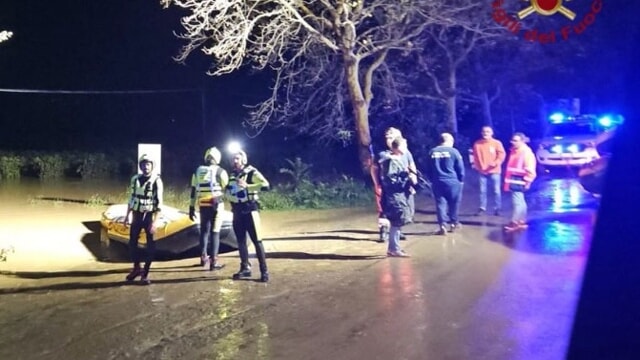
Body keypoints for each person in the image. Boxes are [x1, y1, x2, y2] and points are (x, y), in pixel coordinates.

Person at [225, 149, 270, 283]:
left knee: (257, 241)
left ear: (244, 160)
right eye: (233, 158)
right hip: (237, 211)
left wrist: (248, 186)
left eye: (237, 158)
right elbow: (229, 191)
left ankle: (264, 271)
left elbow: (266, 186)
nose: (234, 161)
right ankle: (245, 268)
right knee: (241, 242)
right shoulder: (232, 175)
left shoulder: (252, 172)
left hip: (250, 210)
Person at [370, 127, 417, 242]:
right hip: (387, 187)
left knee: (402, 209)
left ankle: (397, 230)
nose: (389, 140)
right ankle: (384, 231)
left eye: (391, 137)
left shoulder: (405, 152)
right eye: (387, 138)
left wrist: (413, 181)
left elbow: (411, 165)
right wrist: (377, 183)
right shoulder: (382, 154)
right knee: (385, 210)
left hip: (402, 186)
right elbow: (374, 168)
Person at [124, 154, 163, 285]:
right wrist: (126, 216)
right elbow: (131, 198)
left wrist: (155, 222)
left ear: (152, 166)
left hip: (149, 217)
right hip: (136, 215)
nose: (146, 167)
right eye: (144, 164)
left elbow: (159, 205)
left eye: (148, 164)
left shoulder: (157, 181)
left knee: (150, 246)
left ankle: (145, 274)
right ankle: (136, 268)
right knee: (132, 244)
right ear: (140, 166)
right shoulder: (135, 179)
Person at [189, 147, 229, 270]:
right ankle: (214, 262)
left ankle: (203, 257)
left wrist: (191, 207)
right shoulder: (220, 171)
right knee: (215, 231)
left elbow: (193, 190)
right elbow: (227, 188)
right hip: (216, 204)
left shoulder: (197, 171)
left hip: (203, 204)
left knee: (204, 232)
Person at [379, 137, 414, 257]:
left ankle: (394, 247)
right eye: (404, 146)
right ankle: (394, 248)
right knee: (397, 220)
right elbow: (390, 180)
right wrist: (405, 178)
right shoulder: (391, 161)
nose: (406, 148)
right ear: (397, 147)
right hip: (395, 195)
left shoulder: (396, 159)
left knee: (398, 221)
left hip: (398, 194)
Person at [426, 133, 465, 235]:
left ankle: (442, 225)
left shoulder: (432, 152)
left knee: (440, 204)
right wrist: (461, 179)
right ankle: (453, 223)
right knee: (454, 203)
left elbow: (428, 168)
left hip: (437, 181)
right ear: (450, 141)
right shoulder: (454, 152)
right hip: (452, 181)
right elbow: (460, 168)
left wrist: (431, 180)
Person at [503, 132, 537, 231]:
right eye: (512, 140)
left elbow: (530, 170)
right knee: (521, 202)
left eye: (515, 140)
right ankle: (521, 221)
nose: (513, 142)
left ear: (522, 141)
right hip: (516, 179)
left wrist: (528, 181)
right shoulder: (516, 151)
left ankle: (514, 222)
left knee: (517, 202)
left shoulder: (525, 152)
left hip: (519, 180)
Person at [472, 126, 506, 216]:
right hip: (482, 171)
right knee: (482, 191)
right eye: (484, 131)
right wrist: (476, 166)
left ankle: (497, 208)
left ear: (492, 133)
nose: (485, 133)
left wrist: (496, 162)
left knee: (496, 191)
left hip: (494, 170)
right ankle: (482, 208)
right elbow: (474, 156)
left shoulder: (496, 143)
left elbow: (501, 154)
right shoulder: (477, 144)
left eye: (488, 131)